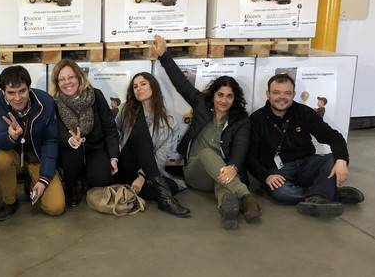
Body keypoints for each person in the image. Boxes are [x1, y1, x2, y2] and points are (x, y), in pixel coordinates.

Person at [153, 35, 261, 229]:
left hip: (223, 172)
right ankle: (245, 196)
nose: (223, 100)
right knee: (207, 154)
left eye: (229, 96)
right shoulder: (201, 104)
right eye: (220, 95)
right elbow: (181, 84)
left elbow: (241, 146)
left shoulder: (241, 120)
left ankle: (228, 209)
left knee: (222, 182)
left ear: (235, 99)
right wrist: (163, 56)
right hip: (196, 171)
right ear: (213, 95)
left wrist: (233, 166)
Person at [247, 74, 364, 218]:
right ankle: (326, 194)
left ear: (293, 94)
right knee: (282, 193)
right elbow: (250, 157)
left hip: (307, 164)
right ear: (268, 94)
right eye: (276, 92)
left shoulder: (304, 112)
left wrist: (342, 160)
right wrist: (266, 177)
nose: (281, 97)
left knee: (332, 158)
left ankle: (321, 195)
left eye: (287, 93)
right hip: (278, 171)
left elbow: (333, 136)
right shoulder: (257, 119)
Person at [0, 65, 65, 220]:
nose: (17, 97)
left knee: (56, 207)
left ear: (29, 88)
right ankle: (10, 202)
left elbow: (51, 140)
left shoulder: (46, 102)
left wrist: (44, 180)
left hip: (38, 158)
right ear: (3, 92)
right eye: (11, 93)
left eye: (22, 91)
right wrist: (11, 136)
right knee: (1, 158)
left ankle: (32, 181)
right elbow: (0, 141)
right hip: (12, 155)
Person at [114, 72, 191, 217]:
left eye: (143, 84)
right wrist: (116, 150)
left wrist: (142, 177)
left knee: (173, 186)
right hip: (127, 160)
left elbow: (161, 155)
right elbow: (114, 131)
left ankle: (140, 187)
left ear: (153, 87)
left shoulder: (169, 120)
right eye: (135, 86)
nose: (139, 88)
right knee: (142, 138)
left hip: (149, 168)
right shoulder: (127, 109)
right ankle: (166, 199)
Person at [49, 59, 118, 207]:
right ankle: (72, 183)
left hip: (95, 148)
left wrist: (113, 156)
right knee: (72, 157)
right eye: (61, 79)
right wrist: (69, 139)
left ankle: (87, 179)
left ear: (79, 77)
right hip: (70, 151)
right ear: (57, 83)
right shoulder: (54, 102)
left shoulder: (96, 96)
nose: (67, 82)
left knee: (101, 179)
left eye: (71, 77)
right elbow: (56, 130)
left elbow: (110, 128)